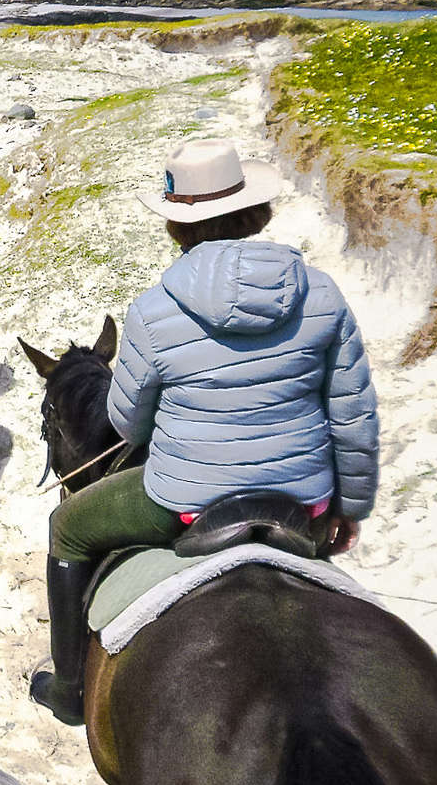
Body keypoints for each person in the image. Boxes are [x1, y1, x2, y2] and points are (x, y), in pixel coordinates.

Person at [30, 138, 380, 726]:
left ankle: (69, 691)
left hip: (185, 503)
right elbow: (353, 413)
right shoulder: (321, 293)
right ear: (256, 211)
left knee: (66, 528)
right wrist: (351, 506)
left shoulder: (155, 308)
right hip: (303, 504)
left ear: (175, 225)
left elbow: (124, 422)